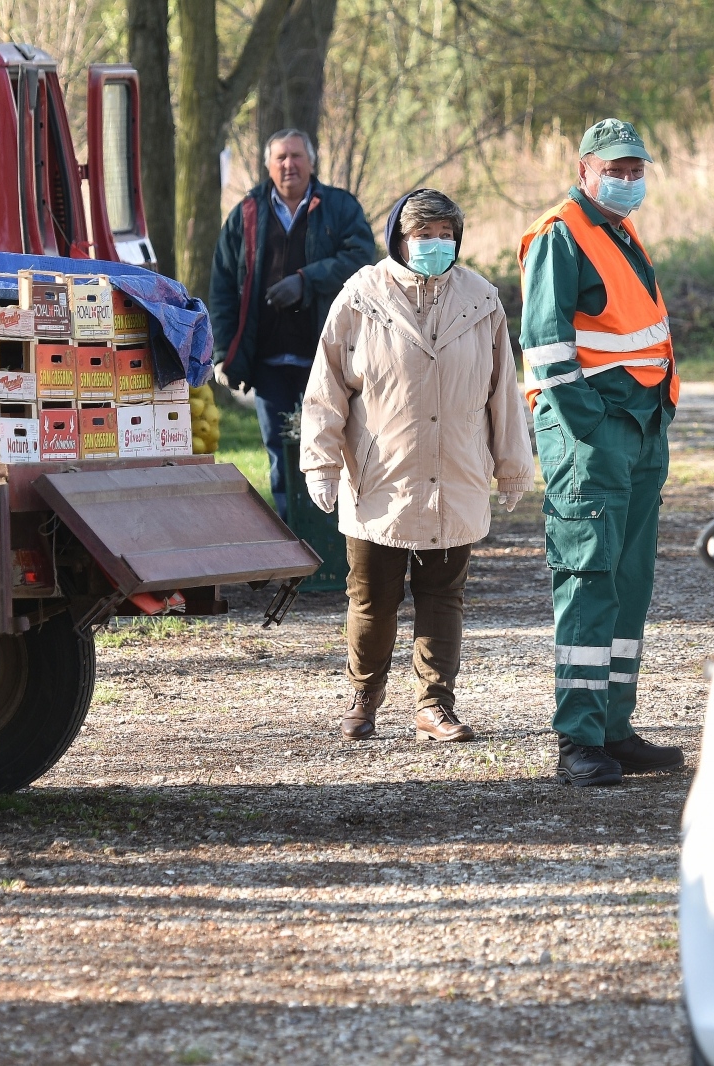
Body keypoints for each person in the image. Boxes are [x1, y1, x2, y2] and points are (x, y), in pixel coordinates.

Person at [301, 189, 534, 742]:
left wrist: (512, 466)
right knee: (372, 596)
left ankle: (434, 704)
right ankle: (365, 693)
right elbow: (326, 386)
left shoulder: (481, 300)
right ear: (400, 240)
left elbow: (504, 391)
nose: (434, 244)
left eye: (444, 235)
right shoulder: (361, 297)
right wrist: (321, 462)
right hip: (381, 474)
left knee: (442, 595)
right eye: (422, 235)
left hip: (455, 471)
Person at [520, 118, 686, 787]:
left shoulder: (618, 231)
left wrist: (656, 411)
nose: (626, 180)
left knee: (629, 584)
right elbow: (546, 342)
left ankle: (614, 728)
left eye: (634, 169)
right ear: (585, 168)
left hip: (640, 428)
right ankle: (579, 740)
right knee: (589, 583)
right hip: (593, 436)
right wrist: (590, 424)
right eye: (613, 169)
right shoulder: (562, 233)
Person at [211, 128, 376, 517]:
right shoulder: (247, 214)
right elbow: (221, 286)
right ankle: (295, 546)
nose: (289, 165)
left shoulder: (339, 207)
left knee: (336, 447)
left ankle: (337, 544)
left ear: (311, 162)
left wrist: (306, 281)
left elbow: (361, 259)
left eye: (297, 156)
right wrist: (223, 351)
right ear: (268, 165)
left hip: (327, 358)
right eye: (281, 157)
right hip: (269, 361)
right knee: (279, 455)